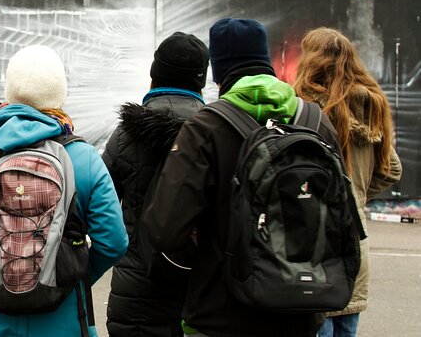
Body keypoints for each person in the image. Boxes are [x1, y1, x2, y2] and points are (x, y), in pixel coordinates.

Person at [142, 18, 338, 337]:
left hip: (220, 315)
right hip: (299, 311)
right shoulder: (317, 123)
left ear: (218, 73)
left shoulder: (205, 129)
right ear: (265, 62)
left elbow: (164, 230)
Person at [0, 44, 128, 337]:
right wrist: (66, 275)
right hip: (64, 320)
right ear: (60, 94)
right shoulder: (84, 158)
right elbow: (113, 241)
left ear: (10, 92)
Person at [293, 27, 402, 337]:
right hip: (355, 240)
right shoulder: (371, 106)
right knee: (346, 327)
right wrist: (356, 193)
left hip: (313, 241)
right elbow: (392, 169)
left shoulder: (303, 106)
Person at [102, 32, 209, 337]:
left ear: (154, 75)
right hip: (200, 294)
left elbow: (97, 209)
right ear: (199, 82)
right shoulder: (218, 135)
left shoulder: (125, 135)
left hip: (136, 294)